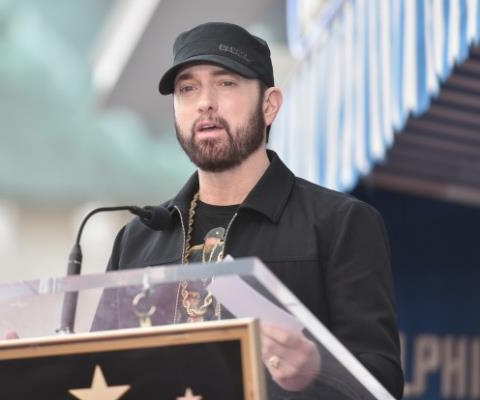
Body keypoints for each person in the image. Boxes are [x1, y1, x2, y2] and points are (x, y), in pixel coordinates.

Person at [99, 22, 403, 398]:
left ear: (270, 105)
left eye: (225, 83)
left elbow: (383, 382)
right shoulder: (137, 239)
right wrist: (30, 366)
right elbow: (102, 373)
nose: (204, 101)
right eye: (187, 88)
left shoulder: (340, 223)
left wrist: (317, 368)